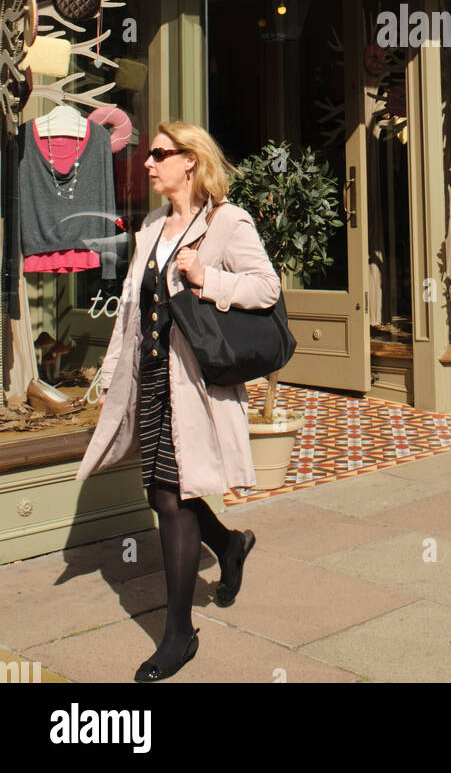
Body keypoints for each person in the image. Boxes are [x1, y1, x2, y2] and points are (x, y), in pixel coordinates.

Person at [76, 121, 281, 682]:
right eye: (149, 155)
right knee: (166, 492)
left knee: (171, 495)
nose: (147, 163)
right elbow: (129, 314)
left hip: (193, 384)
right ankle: (230, 544)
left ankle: (178, 632)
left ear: (190, 161)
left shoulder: (227, 220)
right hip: (150, 380)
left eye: (160, 154)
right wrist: (112, 378)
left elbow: (267, 288)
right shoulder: (149, 226)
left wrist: (207, 275)